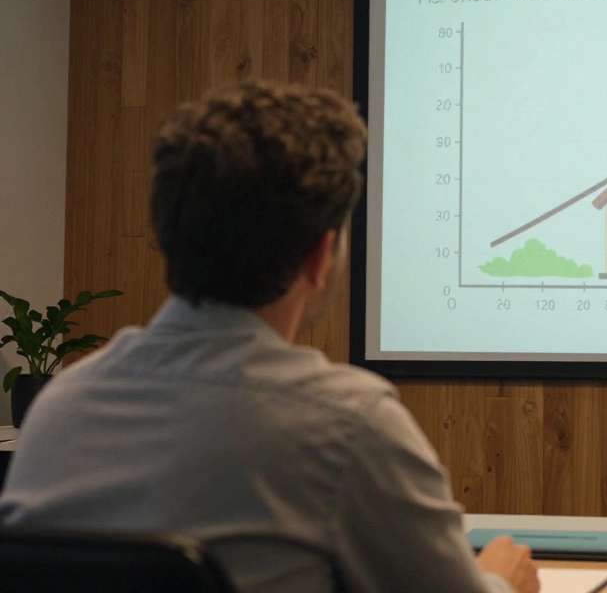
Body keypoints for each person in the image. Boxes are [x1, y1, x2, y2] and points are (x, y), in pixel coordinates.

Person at [0, 81, 539, 593]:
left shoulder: (58, 408)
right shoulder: (346, 425)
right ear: (320, 256)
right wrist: (498, 579)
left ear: (167, 234)